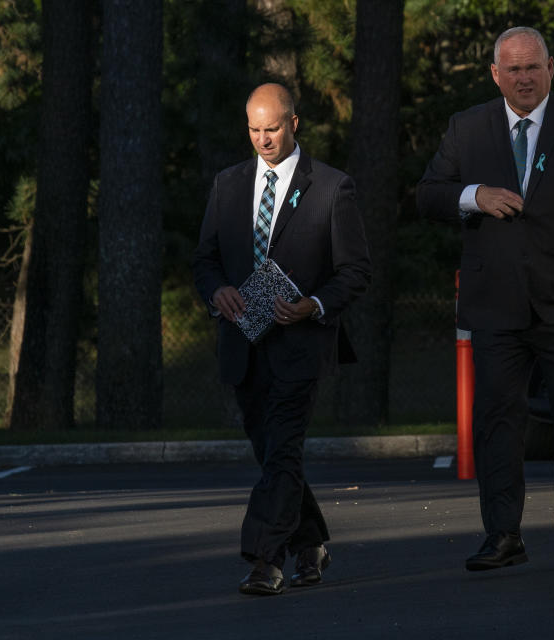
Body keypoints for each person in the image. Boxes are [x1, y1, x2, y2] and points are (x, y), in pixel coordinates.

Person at [416, 27, 554, 570]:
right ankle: (502, 536)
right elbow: (427, 195)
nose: (523, 78)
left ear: (550, 69)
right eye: (512, 69)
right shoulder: (467, 129)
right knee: (497, 423)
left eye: (532, 68)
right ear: (495, 75)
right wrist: (475, 196)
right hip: (497, 307)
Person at [193, 83, 371, 595]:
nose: (263, 139)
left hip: (301, 346)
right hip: (244, 345)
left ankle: (264, 559)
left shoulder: (332, 187)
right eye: (254, 129)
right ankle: (309, 541)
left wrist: (313, 305)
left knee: (284, 449)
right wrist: (218, 291)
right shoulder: (227, 185)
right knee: (275, 455)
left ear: (295, 123)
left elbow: (355, 271)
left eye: (272, 128)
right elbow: (204, 259)